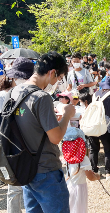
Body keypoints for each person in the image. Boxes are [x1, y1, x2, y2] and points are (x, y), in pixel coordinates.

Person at [9, 51, 75, 212]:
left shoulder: (16, 91)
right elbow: (55, 137)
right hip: (46, 170)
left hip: (25, 168)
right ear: (52, 72)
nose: (57, 83)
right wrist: (67, 114)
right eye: (58, 79)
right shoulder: (41, 97)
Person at [0, 57, 34, 213]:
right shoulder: (5, 96)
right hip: (10, 144)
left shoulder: (26, 93)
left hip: (22, 143)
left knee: (22, 182)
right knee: (14, 184)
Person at [62, 135, 100, 213]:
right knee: (79, 209)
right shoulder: (84, 159)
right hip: (79, 189)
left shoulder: (67, 157)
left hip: (68, 186)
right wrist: (97, 176)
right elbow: (91, 177)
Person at [90, 77, 110, 180]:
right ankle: (108, 173)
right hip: (105, 125)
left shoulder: (95, 94)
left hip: (93, 124)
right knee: (108, 149)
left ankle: (94, 171)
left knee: (93, 149)